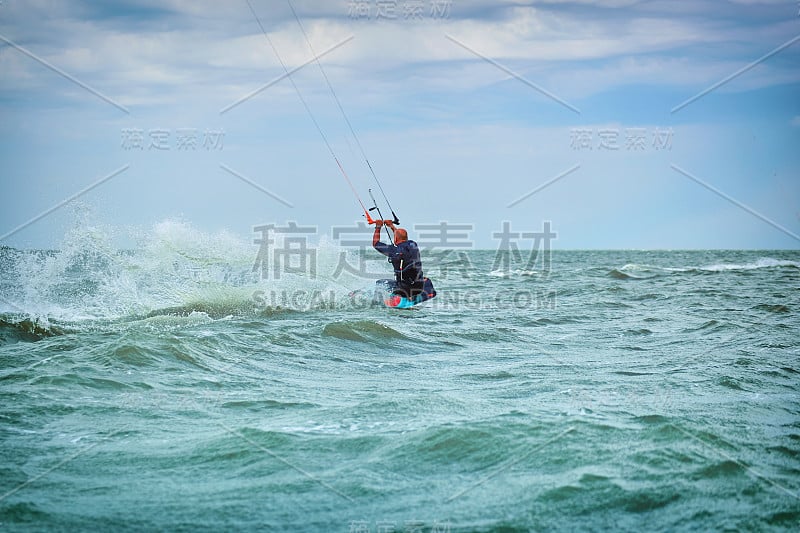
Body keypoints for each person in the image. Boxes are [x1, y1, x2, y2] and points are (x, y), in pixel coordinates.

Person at [372, 219, 425, 298]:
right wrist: (392, 226)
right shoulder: (413, 244)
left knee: (380, 283)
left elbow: (375, 243)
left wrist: (378, 227)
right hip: (419, 286)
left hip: (404, 288)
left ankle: (378, 302)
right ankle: (410, 297)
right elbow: (400, 236)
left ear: (395, 239)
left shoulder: (393, 250)